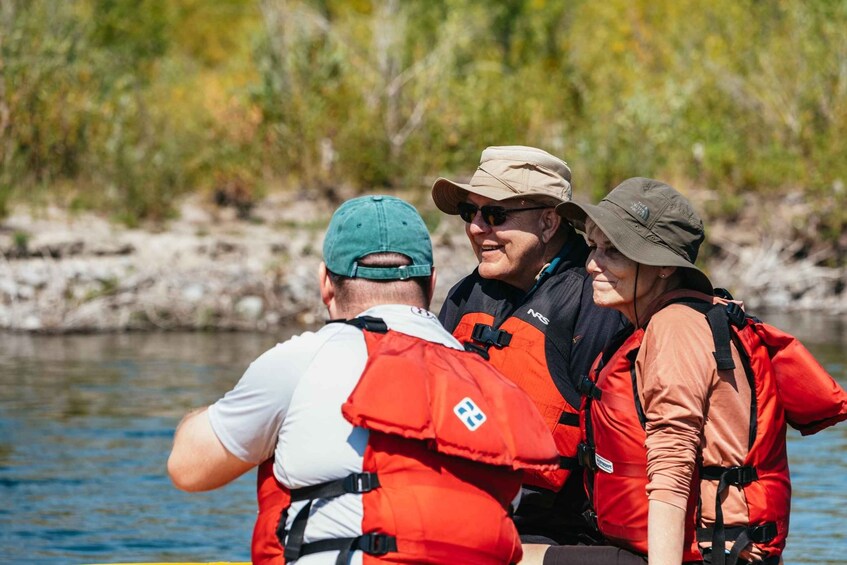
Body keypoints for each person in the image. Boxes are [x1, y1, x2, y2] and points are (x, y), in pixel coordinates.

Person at [167, 194, 560, 565]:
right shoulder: (493, 383)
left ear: (325, 283)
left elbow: (188, 469)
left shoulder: (304, 360)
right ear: (432, 282)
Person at [544, 177, 847, 565]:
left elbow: (672, 467)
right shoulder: (683, 317)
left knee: (507, 555)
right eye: (592, 247)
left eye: (613, 251)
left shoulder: (675, 328)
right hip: (710, 551)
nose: (591, 265)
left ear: (665, 267)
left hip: (708, 556)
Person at [431, 146, 624, 550]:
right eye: (471, 212)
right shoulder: (466, 296)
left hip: (559, 533)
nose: (477, 228)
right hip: (461, 516)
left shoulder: (596, 301)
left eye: (496, 214)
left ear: (549, 222)